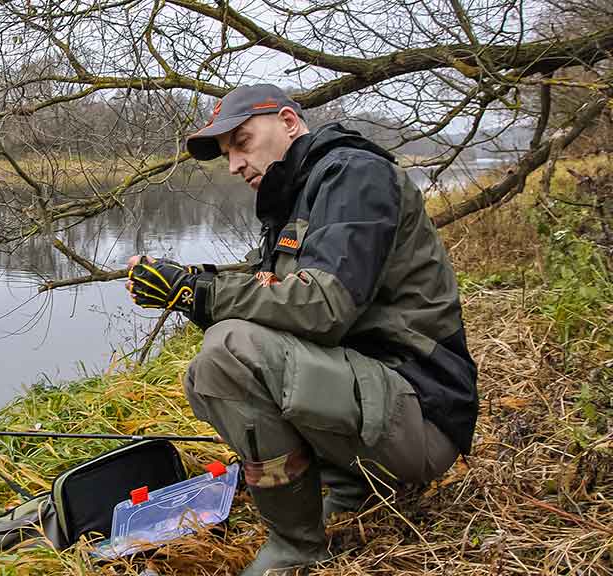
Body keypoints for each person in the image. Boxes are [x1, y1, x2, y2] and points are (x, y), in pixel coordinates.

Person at [125, 84, 478, 575]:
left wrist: (196, 293)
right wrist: (189, 281)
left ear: (289, 122)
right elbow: (269, 291)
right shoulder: (297, 198)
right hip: (378, 404)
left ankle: (295, 547)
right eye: (227, 155)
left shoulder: (354, 175)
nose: (235, 165)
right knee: (203, 375)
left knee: (230, 351)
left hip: (420, 413)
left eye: (242, 142)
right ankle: (351, 485)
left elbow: (323, 307)